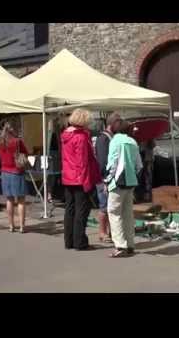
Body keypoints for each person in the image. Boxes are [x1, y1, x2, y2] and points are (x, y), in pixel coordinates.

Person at [61, 109, 101, 251]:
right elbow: (82, 162)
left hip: (68, 177)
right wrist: (86, 182)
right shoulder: (81, 137)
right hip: (79, 177)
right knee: (81, 211)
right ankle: (80, 242)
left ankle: (69, 241)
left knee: (70, 209)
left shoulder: (65, 135)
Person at [106, 121, 143, 258]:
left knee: (114, 213)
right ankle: (130, 243)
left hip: (118, 182)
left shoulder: (115, 141)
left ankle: (120, 245)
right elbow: (139, 165)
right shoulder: (133, 142)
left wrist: (107, 180)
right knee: (128, 213)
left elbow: (112, 163)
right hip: (131, 181)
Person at [0, 121, 29, 233]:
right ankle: (22, 226)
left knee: (9, 200)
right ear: (13, 130)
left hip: (5, 172)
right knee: (21, 200)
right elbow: (26, 152)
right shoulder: (17, 141)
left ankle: (11, 225)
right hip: (17, 172)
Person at [94, 112, 122, 243]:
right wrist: (105, 179)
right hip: (104, 178)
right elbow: (102, 160)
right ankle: (102, 232)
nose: (120, 126)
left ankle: (111, 232)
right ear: (113, 123)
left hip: (112, 177)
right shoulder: (103, 139)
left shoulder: (113, 137)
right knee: (104, 206)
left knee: (112, 207)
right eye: (118, 123)